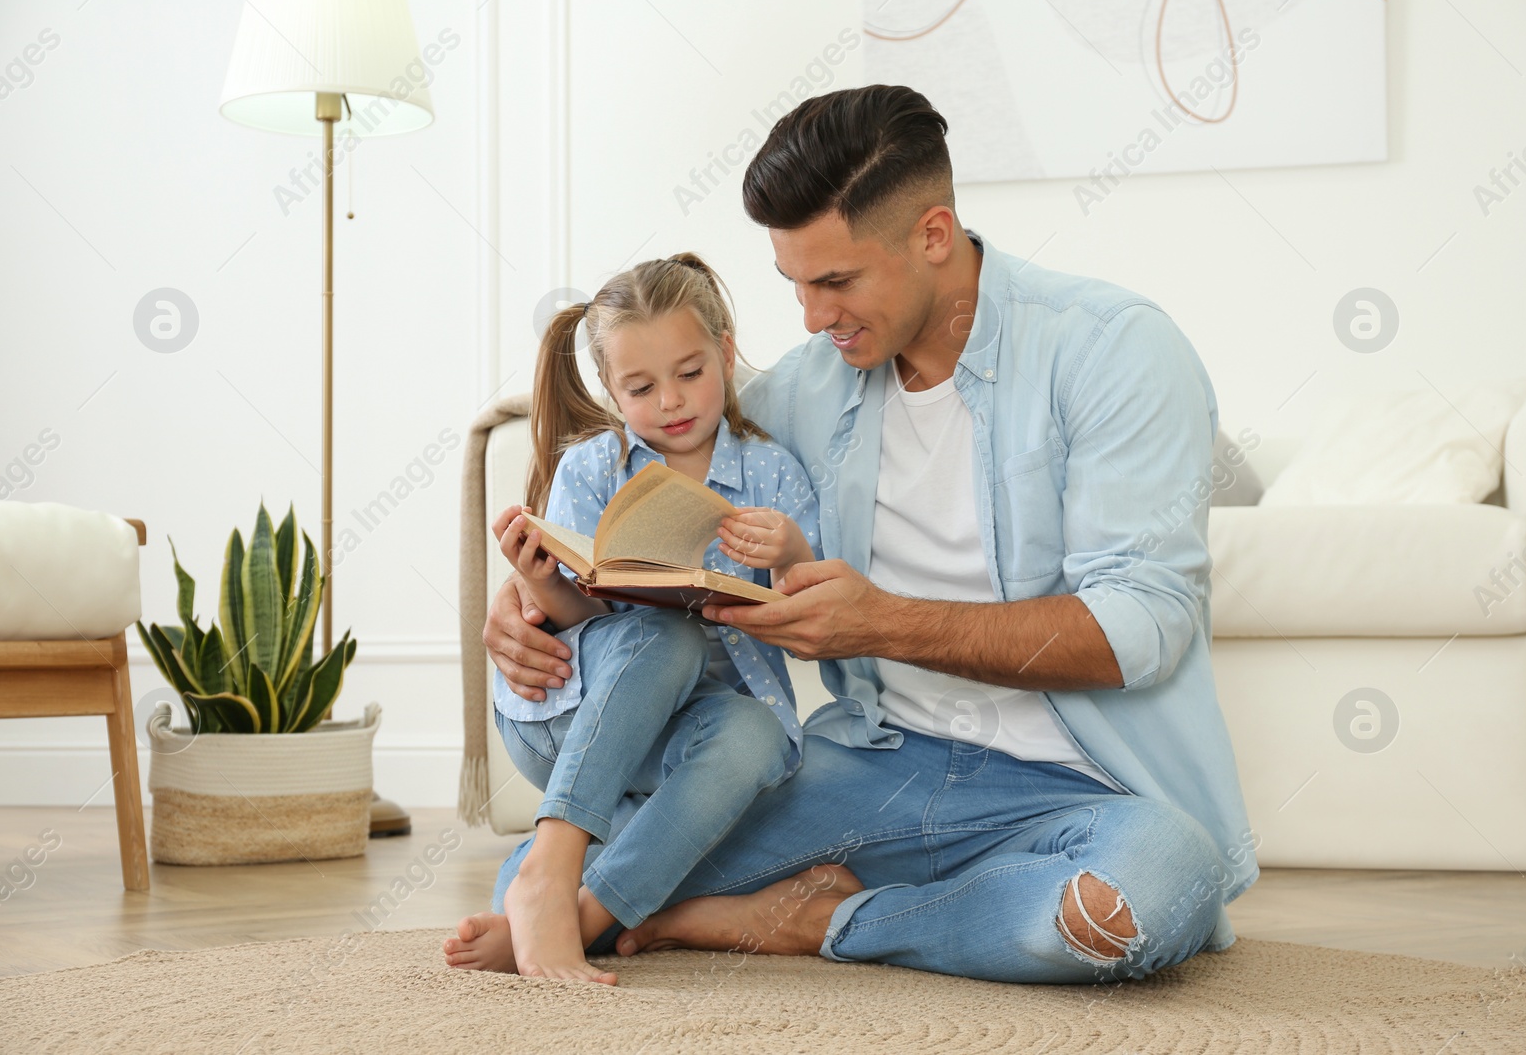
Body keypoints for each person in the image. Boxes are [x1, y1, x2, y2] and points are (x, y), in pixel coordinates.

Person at [465, 85, 1259, 985]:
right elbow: (653, 488)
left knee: (1135, 903)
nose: (810, 317)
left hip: (1087, 791)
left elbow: (1143, 627)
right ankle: (758, 907)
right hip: (873, 768)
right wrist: (535, 598)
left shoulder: (1113, 350)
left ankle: (823, 919)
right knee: (533, 890)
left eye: (836, 281)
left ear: (932, 234)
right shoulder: (806, 389)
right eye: (795, 284)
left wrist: (879, 621)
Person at [445, 253, 821, 985]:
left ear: (726, 349)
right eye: (642, 387)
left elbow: (812, 610)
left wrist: (791, 551)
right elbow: (577, 616)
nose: (673, 401)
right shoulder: (591, 468)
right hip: (576, 711)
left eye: (690, 372)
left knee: (756, 734)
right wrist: (536, 577)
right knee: (665, 635)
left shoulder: (771, 471)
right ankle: (554, 874)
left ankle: (570, 903)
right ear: (612, 391)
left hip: (691, 737)